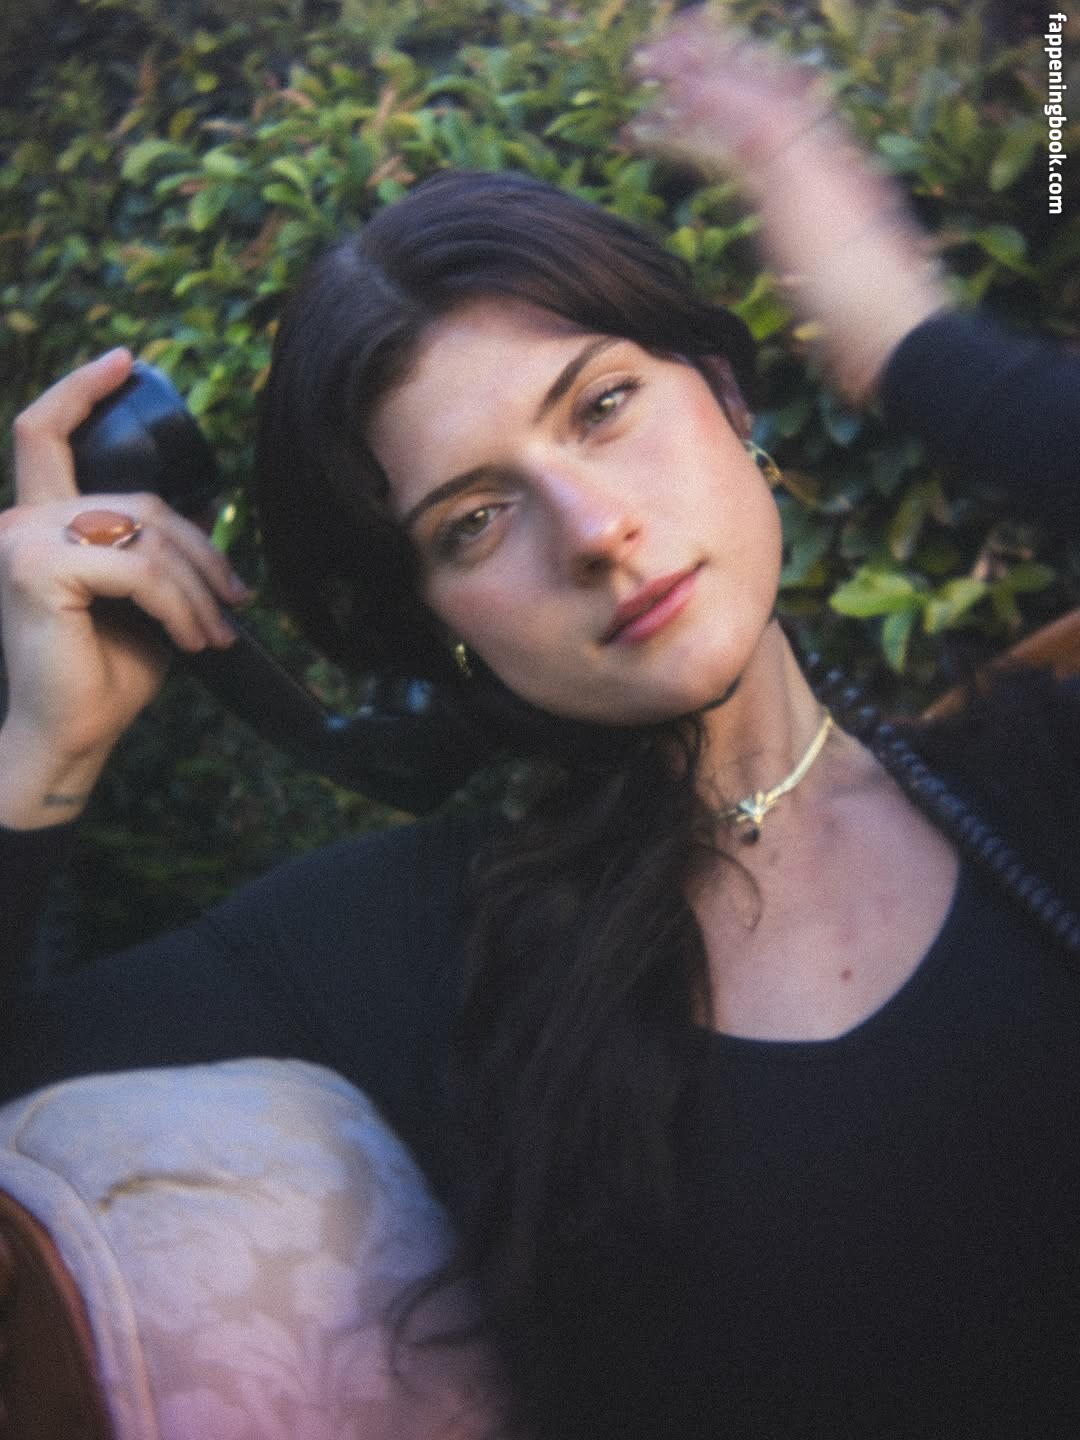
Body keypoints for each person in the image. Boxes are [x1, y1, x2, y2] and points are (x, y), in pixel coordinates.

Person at [2, 10, 1080, 1437]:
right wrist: (41, 755)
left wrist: (906, 343)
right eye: (473, 519)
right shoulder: (412, 947)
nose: (592, 528)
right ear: (438, 626)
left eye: (605, 403)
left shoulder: (1041, 766)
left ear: (728, 395)